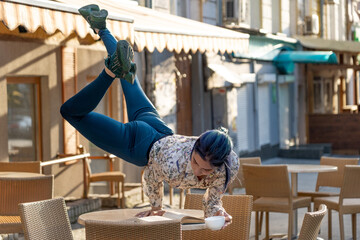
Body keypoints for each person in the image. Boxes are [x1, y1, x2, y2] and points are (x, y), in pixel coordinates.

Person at [60, 4, 240, 229]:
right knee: (69, 112)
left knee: (127, 74)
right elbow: (152, 175)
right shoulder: (174, 165)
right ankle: (108, 72)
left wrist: (219, 211)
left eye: (205, 169)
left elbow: (212, 201)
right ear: (193, 150)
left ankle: (100, 26)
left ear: (221, 164)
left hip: (158, 127)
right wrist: (156, 205)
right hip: (139, 143)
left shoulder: (226, 168)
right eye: (195, 162)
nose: (197, 171)